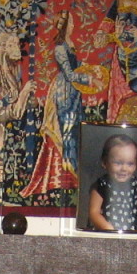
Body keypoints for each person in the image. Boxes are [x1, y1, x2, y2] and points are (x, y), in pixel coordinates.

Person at [21, 12, 90, 198]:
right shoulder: (60, 48)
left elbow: (77, 67)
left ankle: (73, 179)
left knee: (74, 132)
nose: (73, 23)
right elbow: (69, 74)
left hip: (75, 91)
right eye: (70, 20)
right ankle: (64, 179)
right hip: (64, 91)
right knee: (65, 133)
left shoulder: (70, 45)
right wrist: (87, 78)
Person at [87, 133, 137, 233]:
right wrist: (108, 228)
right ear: (104, 162)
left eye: (130, 164)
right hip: (108, 230)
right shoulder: (102, 185)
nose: (124, 169)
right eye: (118, 163)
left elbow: (135, 202)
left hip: (131, 227)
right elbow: (94, 213)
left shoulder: (133, 182)